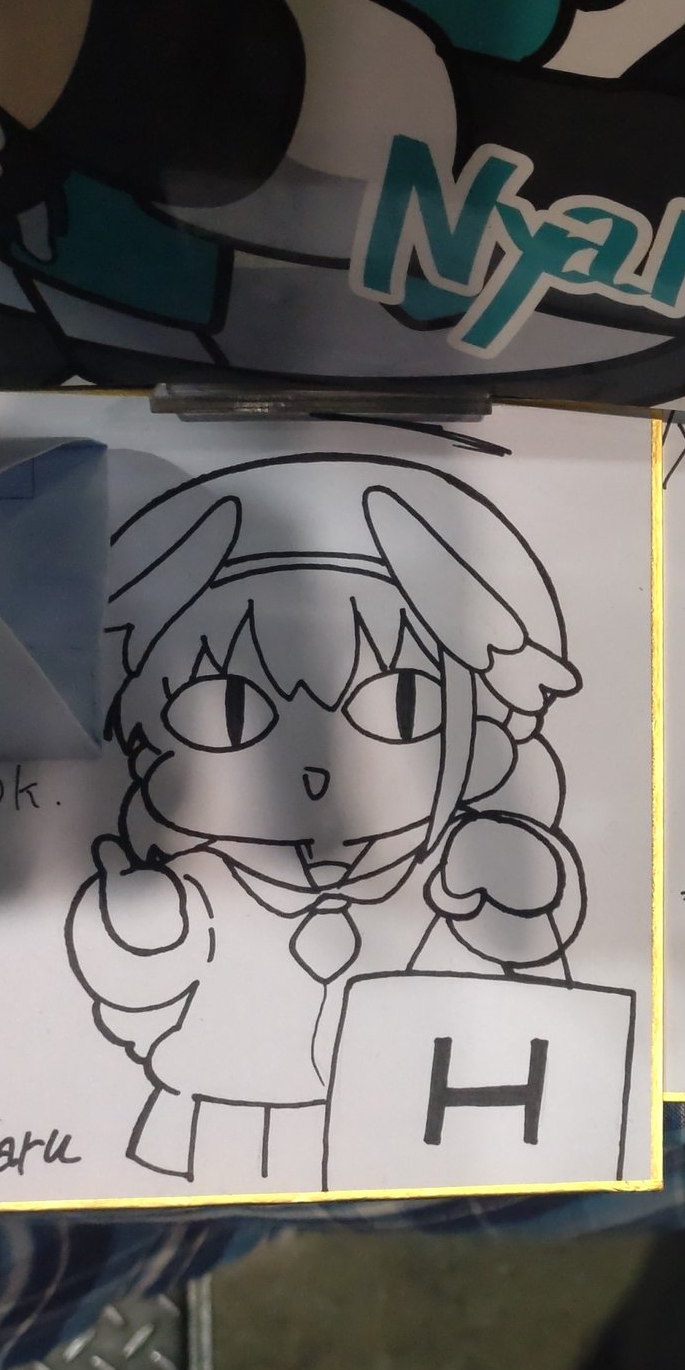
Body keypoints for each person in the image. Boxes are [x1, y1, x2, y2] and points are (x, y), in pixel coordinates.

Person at [66, 456, 585, 1187]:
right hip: (227, 1112)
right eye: (233, 712)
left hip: (410, 1115)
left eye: (401, 705)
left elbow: (528, 957)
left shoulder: (446, 870)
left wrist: (508, 882)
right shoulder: (201, 884)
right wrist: (137, 934)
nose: (314, 768)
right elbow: (139, 989)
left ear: (473, 732)